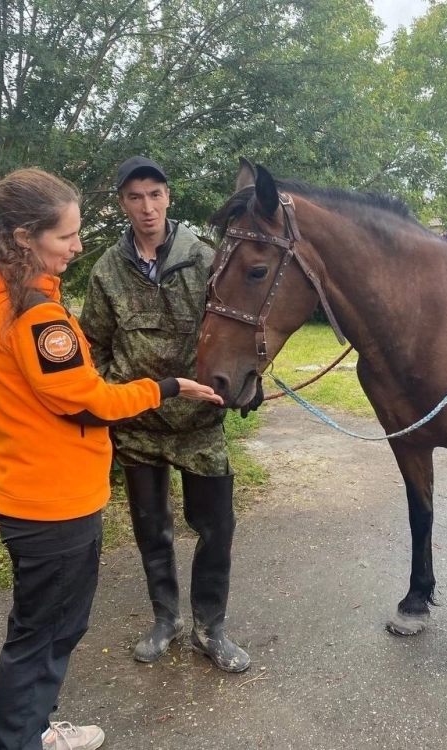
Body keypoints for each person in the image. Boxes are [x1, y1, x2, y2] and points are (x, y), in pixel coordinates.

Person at [0, 168, 223, 750]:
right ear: (24, 237)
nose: (77, 246)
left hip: (28, 491)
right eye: (66, 236)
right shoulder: (35, 316)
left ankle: (32, 730)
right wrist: (166, 387)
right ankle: (18, 740)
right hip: (54, 501)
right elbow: (86, 398)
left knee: (39, 628)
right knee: (45, 634)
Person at [79, 157, 250, 673]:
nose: (147, 206)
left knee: (216, 528)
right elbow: (94, 344)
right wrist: (115, 394)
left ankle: (210, 628)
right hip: (138, 430)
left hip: (199, 426)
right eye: (135, 197)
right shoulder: (108, 270)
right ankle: (165, 619)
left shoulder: (207, 259)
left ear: (169, 197)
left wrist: (243, 384)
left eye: (155, 194)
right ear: (122, 204)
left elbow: (238, 329)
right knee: (152, 530)